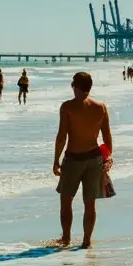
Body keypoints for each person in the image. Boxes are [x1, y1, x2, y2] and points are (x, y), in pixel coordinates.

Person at [53, 72, 113, 249]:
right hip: (94, 159)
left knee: (66, 201)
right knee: (90, 203)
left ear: (76, 87)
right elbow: (107, 136)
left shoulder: (67, 107)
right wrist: (108, 157)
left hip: (73, 159)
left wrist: (55, 160)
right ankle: (86, 241)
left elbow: (62, 136)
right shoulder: (100, 107)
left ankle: (66, 239)